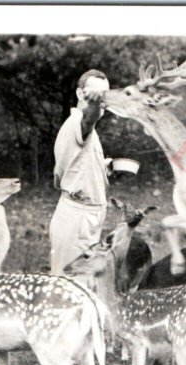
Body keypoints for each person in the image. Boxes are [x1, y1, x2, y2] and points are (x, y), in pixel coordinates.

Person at [49, 69, 113, 276]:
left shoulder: (88, 132)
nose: (101, 99)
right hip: (77, 218)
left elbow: (75, 167)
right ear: (79, 94)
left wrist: (102, 168)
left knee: (83, 284)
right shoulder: (78, 123)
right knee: (67, 286)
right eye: (95, 94)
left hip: (87, 216)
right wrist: (93, 107)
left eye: (105, 94)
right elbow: (88, 119)